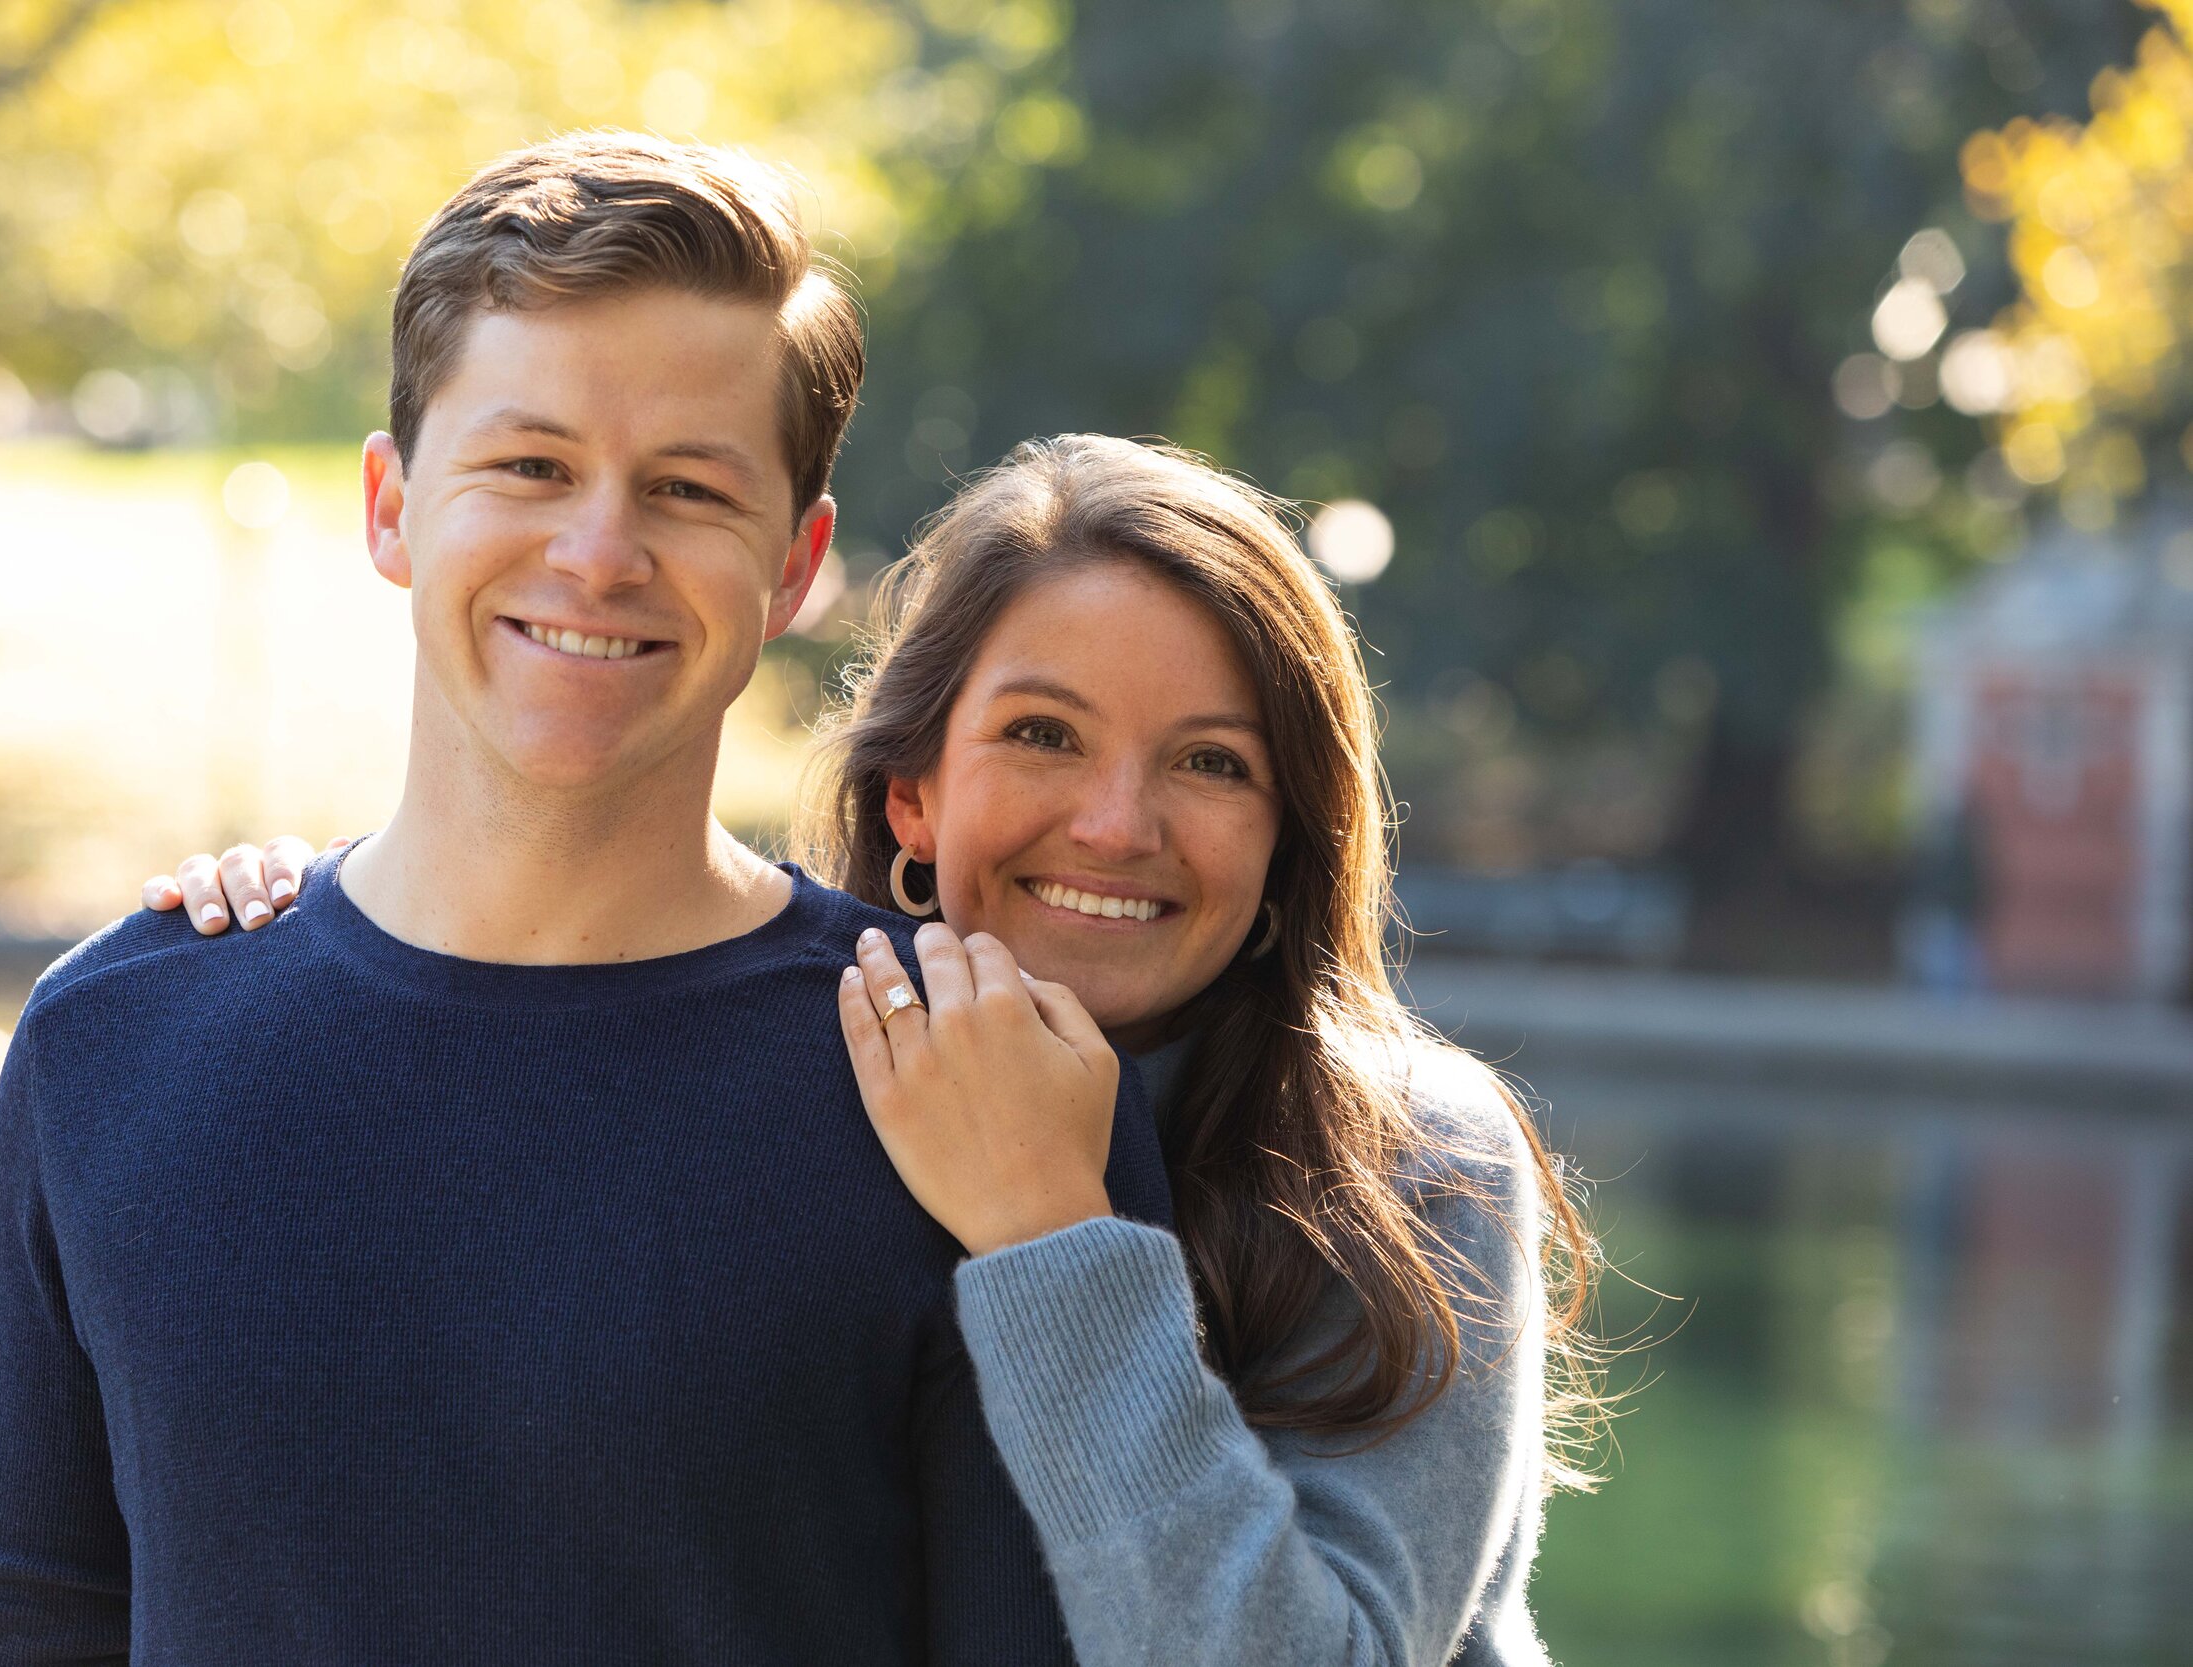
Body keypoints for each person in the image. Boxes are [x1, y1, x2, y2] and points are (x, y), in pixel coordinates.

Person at [0, 135, 1175, 1666]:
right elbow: (13, 1632)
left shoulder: (976, 1083)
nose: (597, 553)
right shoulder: (116, 1037)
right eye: (529, 466)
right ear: (390, 505)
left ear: (797, 565)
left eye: (689, 489)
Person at [155, 434, 1604, 1665]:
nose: (1117, 825)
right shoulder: (784, 1073)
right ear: (913, 796)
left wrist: (1052, 1229)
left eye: (1212, 763)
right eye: (1043, 736)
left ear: (1292, 832)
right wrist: (309, 927)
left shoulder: (1410, 1160)